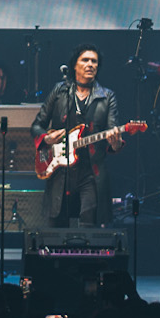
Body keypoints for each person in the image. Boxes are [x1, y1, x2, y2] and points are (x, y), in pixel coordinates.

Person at [31, 45, 123, 227]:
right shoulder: (60, 91)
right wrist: (47, 139)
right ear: (74, 65)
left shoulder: (107, 97)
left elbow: (113, 137)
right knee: (56, 230)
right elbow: (37, 125)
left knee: (89, 228)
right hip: (59, 172)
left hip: (90, 173)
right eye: (85, 60)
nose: (90, 64)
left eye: (94, 61)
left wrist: (116, 143)